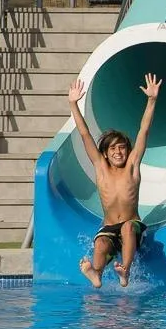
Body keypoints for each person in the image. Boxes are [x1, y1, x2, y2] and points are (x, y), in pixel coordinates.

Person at [69, 73, 161, 287]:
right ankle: (97, 274)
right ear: (106, 153)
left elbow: (144, 131)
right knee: (101, 242)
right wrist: (73, 104)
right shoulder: (101, 169)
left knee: (128, 227)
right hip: (109, 227)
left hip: (132, 226)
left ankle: (125, 271)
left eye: (122, 148)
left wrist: (152, 100)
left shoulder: (132, 166)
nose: (119, 152)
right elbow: (85, 135)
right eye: (113, 148)